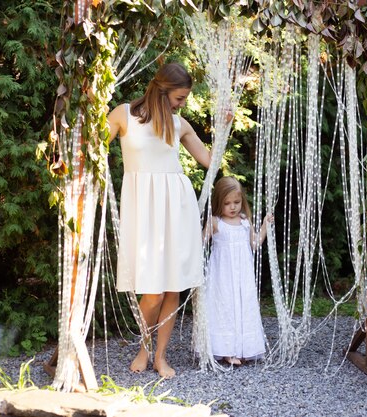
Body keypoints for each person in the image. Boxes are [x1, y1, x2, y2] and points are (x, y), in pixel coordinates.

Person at [107, 62, 212, 378]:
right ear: (162, 90)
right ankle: (144, 346)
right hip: (142, 209)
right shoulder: (123, 114)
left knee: (172, 288)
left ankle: (160, 356)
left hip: (176, 208)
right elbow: (96, 148)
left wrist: (223, 127)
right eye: (179, 98)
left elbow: (208, 161)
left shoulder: (179, 124)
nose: (182, 104)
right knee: (152, 291)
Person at [204, 176, 272, 365]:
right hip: (222, 277)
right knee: (224, 309)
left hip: (242, 277)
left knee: (242, 308)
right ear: (219, 202)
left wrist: (265, 225)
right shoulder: (216, 222)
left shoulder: (245, 222)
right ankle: (226, 349)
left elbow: (255, 244)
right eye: (227, 203)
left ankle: (243, 347)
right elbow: (200, 244)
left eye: (237, 202)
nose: (233, 207)